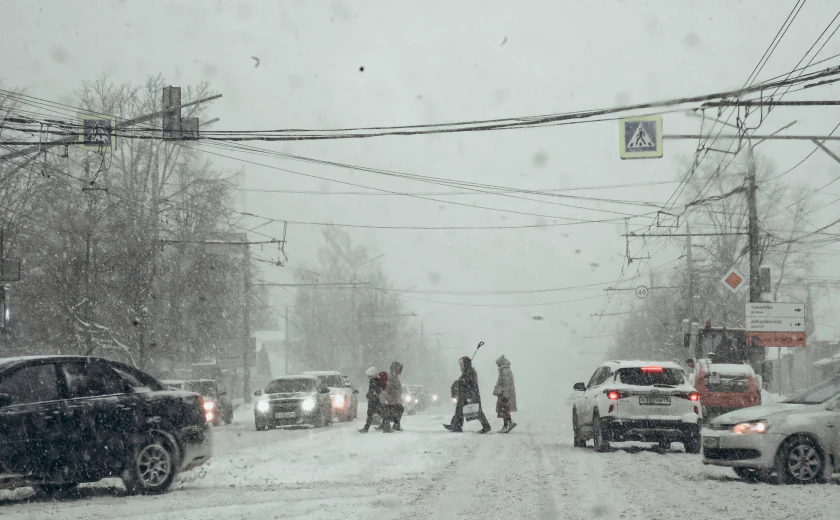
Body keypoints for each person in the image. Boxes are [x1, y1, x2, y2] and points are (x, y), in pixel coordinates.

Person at [444, 356, 491, 434]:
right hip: (465, 395)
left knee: (477, 412)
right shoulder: (467, 371)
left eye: (461, 364)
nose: (460, 367)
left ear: (465, 364)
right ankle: (456, 426)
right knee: (459, 410)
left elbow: (468, 382)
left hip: (471, 395)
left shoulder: (470, 371)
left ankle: (486, 426)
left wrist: (460, 381)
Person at [493, 355, 518, 433]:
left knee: (504, 409)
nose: (497, 365)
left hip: (504, 394)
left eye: (498, 364)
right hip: (504, 393)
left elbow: (506, 384)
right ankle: (507, 424)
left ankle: (508, 424)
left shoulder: (504, 371)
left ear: (501, 363)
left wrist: (505, 394)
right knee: (504, 410)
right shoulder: (506, 370)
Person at [359, 367, 382, 433]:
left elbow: (373, 391)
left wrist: (368, 396)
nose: (368, 378)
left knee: (370, 414)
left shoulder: (373, 382)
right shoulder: (376, 381)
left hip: (373, 401)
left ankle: (366, 428)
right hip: (376, 401)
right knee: (381, 413)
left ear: (373, 375)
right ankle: (384, 425)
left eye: (369, 376)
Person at [385, 361, 404, 431]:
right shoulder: (392, 377)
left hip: (395, 399)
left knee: (398, 410)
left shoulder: (394, 376)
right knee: (396, 411)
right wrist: (391, 397)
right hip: (393, 400)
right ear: (396, 369)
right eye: (400, 369)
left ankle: (396, 425)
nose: (401, 371)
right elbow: (389, 388)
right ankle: (389, 426)